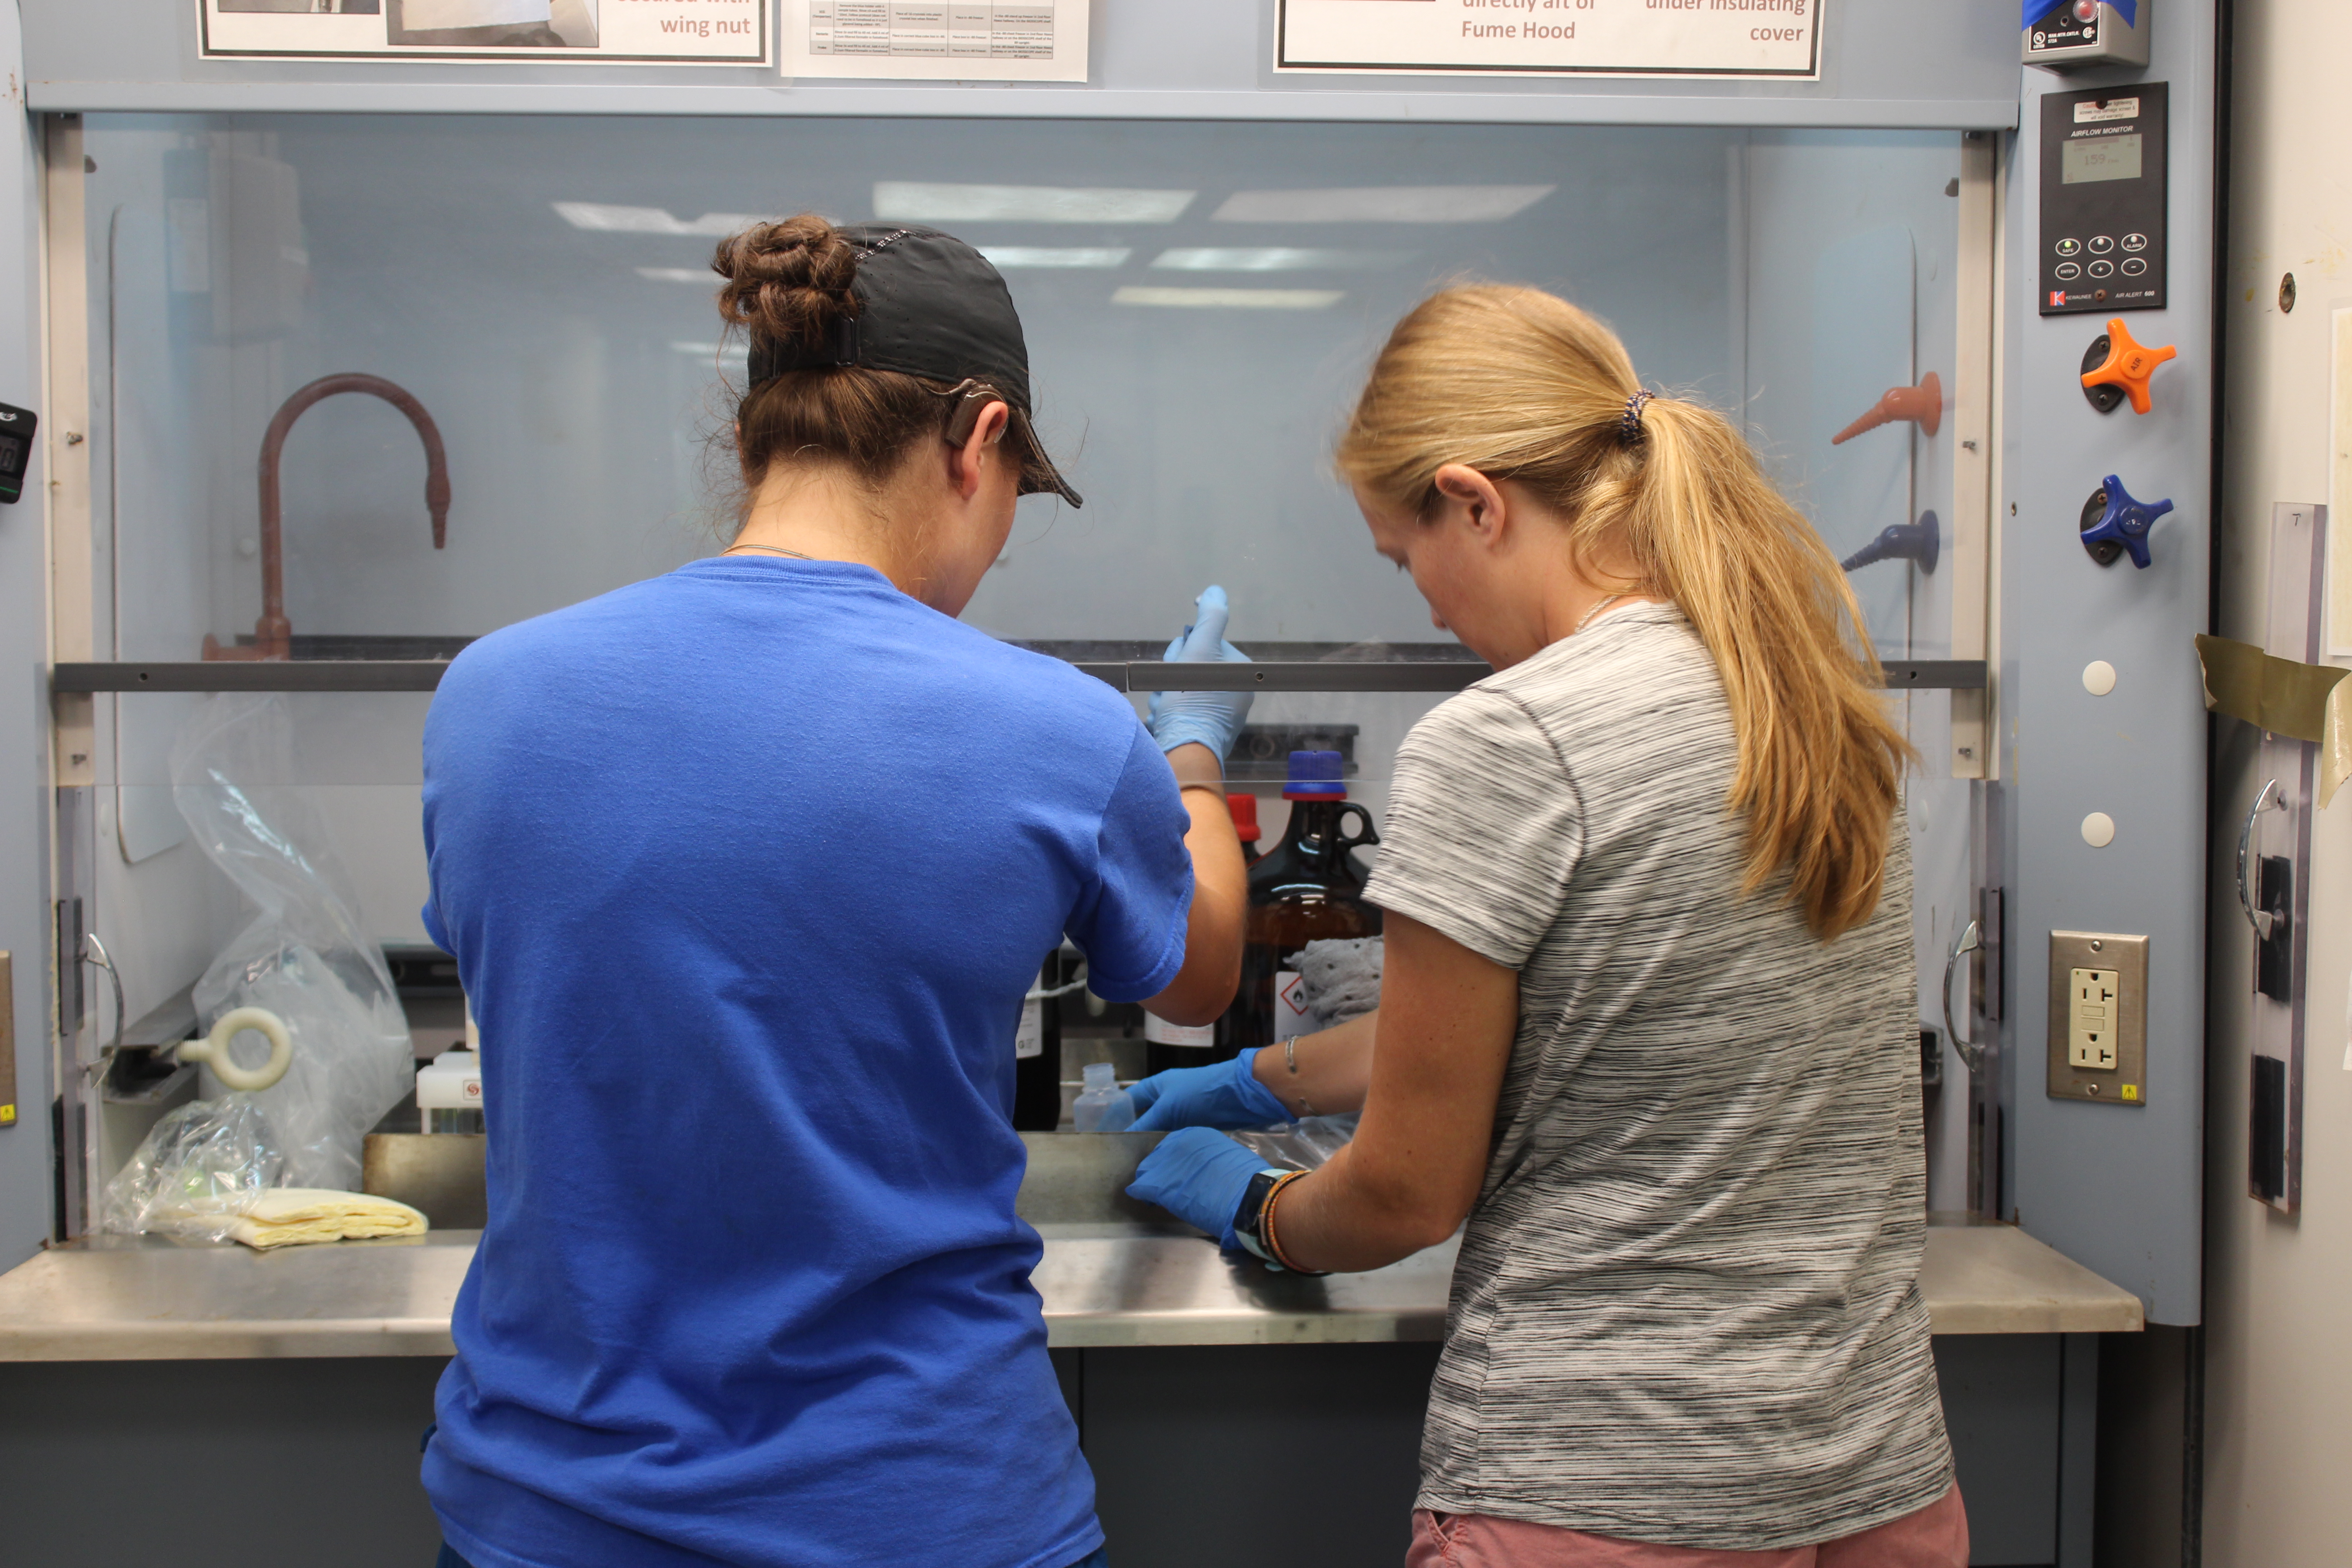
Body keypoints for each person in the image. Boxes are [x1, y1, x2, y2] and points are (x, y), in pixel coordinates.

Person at [416, 216, 1252, 1568]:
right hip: (927, 1513)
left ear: (756, 438)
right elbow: (1200, 972)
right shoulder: (1059, 730)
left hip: (551, 1514)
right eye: (1014, 501)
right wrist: (1195, 758)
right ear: (978, 440)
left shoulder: (490, 698)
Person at [1125, 284, 1968, 1567]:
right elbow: (1596, 1011)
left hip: (1606, 1487)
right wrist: (1261, 1077)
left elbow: (1408, 1194)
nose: (1422, 605)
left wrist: (1264, 1211)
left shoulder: (1508, 735)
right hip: (1876, 1481)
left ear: (1474, 500)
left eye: (1405, 560)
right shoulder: (1805, 695)